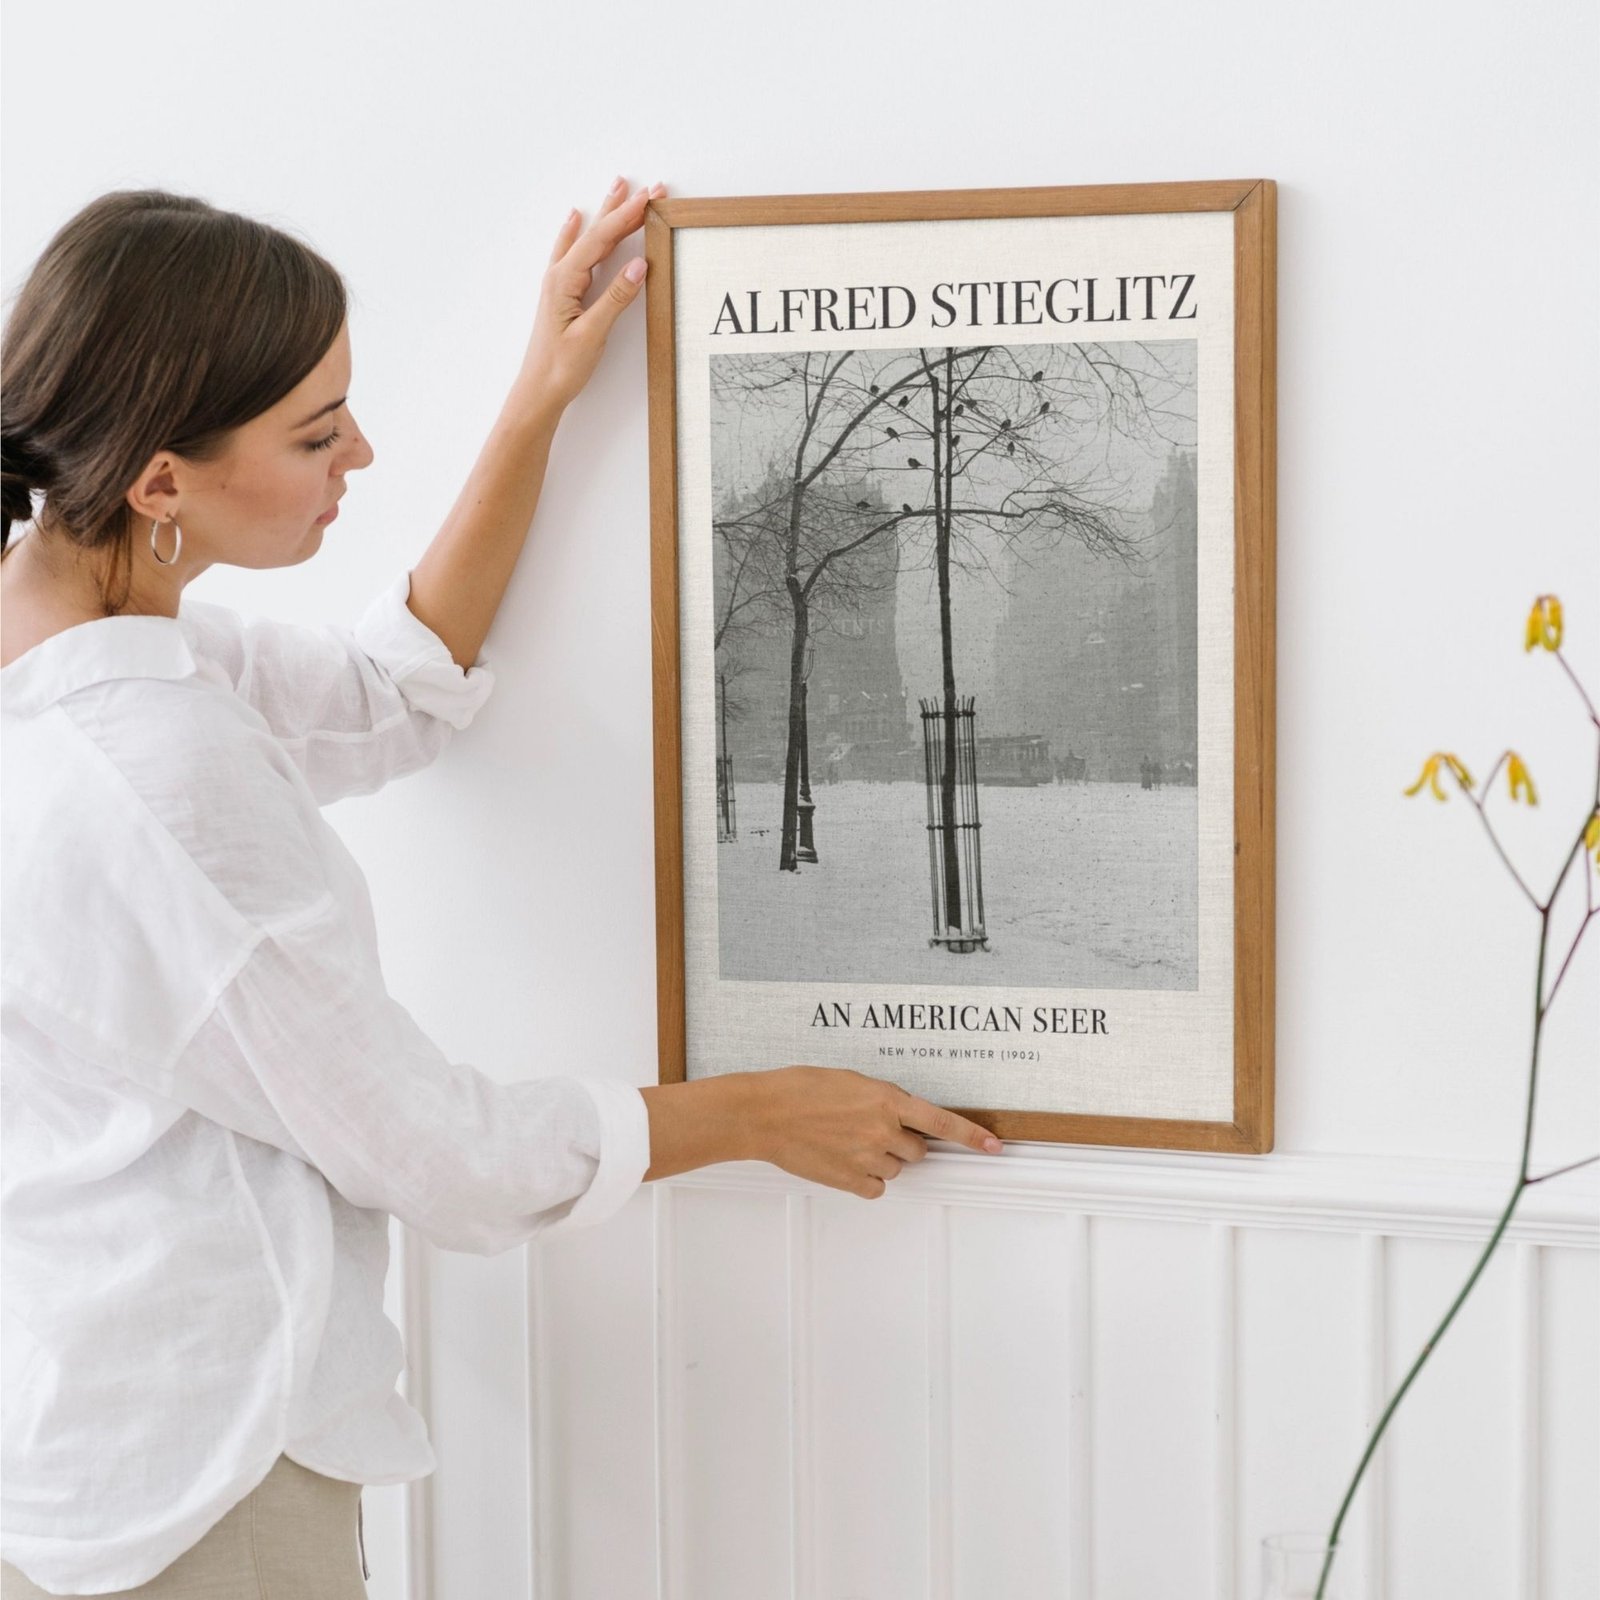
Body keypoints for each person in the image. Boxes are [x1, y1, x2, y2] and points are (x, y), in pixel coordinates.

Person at [0, 182, 1005, 1598]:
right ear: (160, 481)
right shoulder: (152, 775)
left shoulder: (70, 645)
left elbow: (382, 691)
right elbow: (432, 1151)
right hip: (197, 1493)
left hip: (73, 1437)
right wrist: (752, 1114)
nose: (362, 447)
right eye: (313, 432)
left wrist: (542, 398)